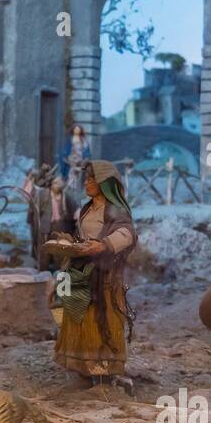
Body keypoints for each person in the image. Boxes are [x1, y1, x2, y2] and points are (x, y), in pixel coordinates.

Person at [52, 160, 136, 390]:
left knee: (101, 321)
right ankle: (81, 368)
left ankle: (103, 372)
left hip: (103, 278)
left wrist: (104, 245)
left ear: (104, 183)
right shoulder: (88, 208)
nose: (87, 183)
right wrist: (70, 244)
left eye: (92, 180)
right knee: (77, 314)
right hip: (81, 271)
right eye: (86, 179)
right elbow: (83, 235)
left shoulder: (115, 209)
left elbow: (128, 234)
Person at [34, 175, 78, 272]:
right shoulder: (44, 195)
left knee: (59, 251)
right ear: (51, 184)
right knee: (44, 251)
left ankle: (59, 274)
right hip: (46, 228)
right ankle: (43, 274)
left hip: (60, 226)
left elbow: (73, 211)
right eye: (55, 183)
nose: (57, 185)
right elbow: (36, 211)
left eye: (59, 183)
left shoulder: (66, 198)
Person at [58, 124, 91, 201]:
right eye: (75, 129)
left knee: (79, 178)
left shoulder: (83, 140)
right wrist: (69, 160)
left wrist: (84, 160)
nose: (77, 130)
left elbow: (86, 151)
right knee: (71, 177)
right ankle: (70, 193)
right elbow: (66, 151)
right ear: (73, 130)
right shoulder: (70, 139)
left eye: (78, 129)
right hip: (71, 162)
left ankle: (78, 194)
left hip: (80, 162)